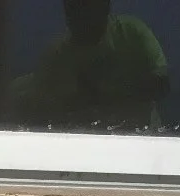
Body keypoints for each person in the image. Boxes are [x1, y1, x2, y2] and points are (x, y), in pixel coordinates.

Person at [10, 0, 169, 131]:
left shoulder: (133, 33)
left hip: (144, 142)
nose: (81, 13)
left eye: (88, 5)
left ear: (106, 6)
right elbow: (35, 109)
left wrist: (103, 96)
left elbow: (161, 84)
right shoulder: (55, 58)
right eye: (74, 6)